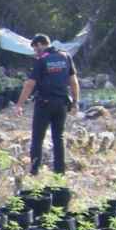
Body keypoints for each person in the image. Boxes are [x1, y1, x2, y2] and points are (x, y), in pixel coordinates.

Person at [15, 34, 80, 174]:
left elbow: (29, 84)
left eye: (35, 48)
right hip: (62, 103)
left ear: (40, 44)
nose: (35, 51)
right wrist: (75, 102)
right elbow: (74, 82)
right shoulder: (65, 56)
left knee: (38, 137)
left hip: (44, 103)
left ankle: (34, 170)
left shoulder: (41, 60)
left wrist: (19, 104)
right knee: (59, 137)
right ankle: (59, 172)